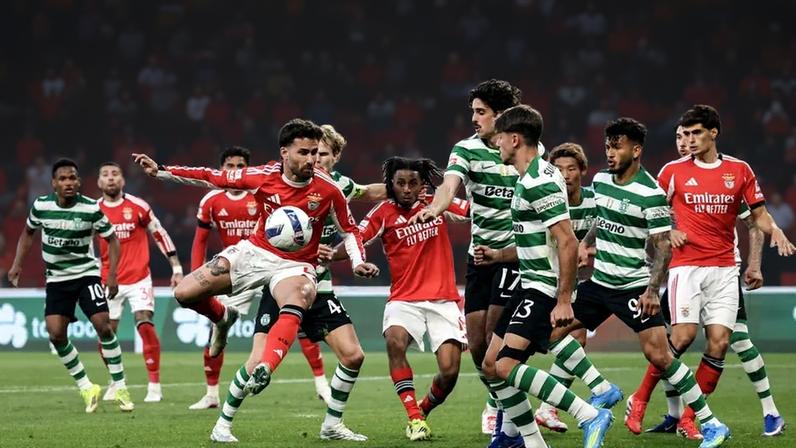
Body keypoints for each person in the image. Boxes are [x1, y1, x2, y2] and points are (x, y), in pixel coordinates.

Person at [132, 118, 379, 440]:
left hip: (296, 265)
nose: (311, 160)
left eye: (315, 152)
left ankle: (266, 369)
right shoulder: (263, 176)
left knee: (298, 296)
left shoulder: (329, 189)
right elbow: (212, 176)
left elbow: (350, 230)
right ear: (284, 153)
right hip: (254, 253)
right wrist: (161, 171)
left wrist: (359, 261)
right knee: (185, 293)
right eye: (303, 152)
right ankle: (222, 318)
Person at [541, 117, 731, 448]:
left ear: (636, 150)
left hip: (633, 287)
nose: (610, 153)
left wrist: (651, 291)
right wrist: (586, 242)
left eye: (617, 147)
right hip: (600, 286)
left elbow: (662, 248)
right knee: (549, 333)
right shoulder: (601, 180)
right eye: (607, 147)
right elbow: (602, 219)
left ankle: (712, 424)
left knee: (660, 356)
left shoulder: (651, 194)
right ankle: (601, 389)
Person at [209, 124, 386, 442]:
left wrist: (349, 258)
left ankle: (332, 424)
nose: (317, 160)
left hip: (320, 285)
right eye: (312, 154)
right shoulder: (289, 182)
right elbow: (273, 232)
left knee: (353, 355)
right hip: (282, 280)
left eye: (323, 155)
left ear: (335, 158)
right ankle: (223, 423)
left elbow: (366, 199)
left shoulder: (340, 187)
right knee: (256, 359)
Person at [627, 106, 794, 438]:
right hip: (686, 268)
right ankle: (640, 399)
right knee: (682, 337)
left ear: (713, 133)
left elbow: (757, 216)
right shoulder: (672, 171)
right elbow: (650, 211)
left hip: (724, 270)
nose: (688, 140)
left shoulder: (739, 170)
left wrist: (775, 230)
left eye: (696, 133)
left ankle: (691, 417)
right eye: (684, 134)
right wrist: (666, 232)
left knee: (720, 343)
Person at [476, 105, 613, 448]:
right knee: (491, 364)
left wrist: (564, 299)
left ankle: (588, 413)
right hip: (527, 284)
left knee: (506, 367)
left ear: (515, 138)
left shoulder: (539, 181)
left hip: (541, 288)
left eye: (500, 137)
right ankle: (526, 441)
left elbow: (567, 240)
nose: (497, 144)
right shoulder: (534, 175)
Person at [409, 79, 525, 438]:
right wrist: (434, 208)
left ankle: (506, 415)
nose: (474, 118)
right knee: (475, 347)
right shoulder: (466, 149)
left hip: (513, 256)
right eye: (472, 111)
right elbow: (449, 186)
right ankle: (501, 401)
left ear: (501, 115)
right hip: (480, 260)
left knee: (494, 339)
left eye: (481, 112)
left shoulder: (525, 149)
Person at [187, 146, 333, 410]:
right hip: (242, 266)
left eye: (239, 165)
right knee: (215, 327)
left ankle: (321, 383)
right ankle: (211, 393)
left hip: (275, 266)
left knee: (297, 322)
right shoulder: (211, 201)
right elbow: (200, 241)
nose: (234, 170)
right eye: (229, 166)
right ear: (223, 170)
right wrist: (194, 270)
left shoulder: (261, 192)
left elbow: (297, 225)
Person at [334, 156, 468, 441]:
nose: (406, 189)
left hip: (443, 300)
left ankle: (424, 408)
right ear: (391, 185)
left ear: (422, 185)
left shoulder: (437, 203)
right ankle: (414, 417)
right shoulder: (383, 212)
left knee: (449, 371)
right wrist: (333, 257)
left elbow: (470, 211)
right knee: (394, 341)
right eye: (400, 183)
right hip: (404, 299)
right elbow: (356, 237)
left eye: (413, 183)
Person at [7, 158, 134, 413]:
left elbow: (113, 240)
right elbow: (27, 233)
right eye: (63, 178)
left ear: (79, 182)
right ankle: (87, 387)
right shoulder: (41, 206)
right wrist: (17, 264)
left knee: (104, 327)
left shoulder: (90, 209)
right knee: (55, 334)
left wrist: (111, 276)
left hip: (86, 274)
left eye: (73, 178)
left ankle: (120, 386)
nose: (68, 182)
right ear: (53, 183)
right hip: (56, 278)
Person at [97, 161, 183, 403]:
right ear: (99, 182)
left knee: (144, 323)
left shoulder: (138, 206)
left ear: (123, 180)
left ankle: (154, 385)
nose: (111, 178)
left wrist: (176, 267)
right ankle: (115, 380)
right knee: (105, 333)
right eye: (105, 174)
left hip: (139, 279)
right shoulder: (93, 210)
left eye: (115, 173)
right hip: (107, 280)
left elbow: (160, 233)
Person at [533, 142, 597, 433]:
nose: (565, 174)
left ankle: (547, 408)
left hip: (572, 283)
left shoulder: (594, 202)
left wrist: (590, 250)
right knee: (522, 347)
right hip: (541, 279)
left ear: (582, 170)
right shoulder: (544, 199)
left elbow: (607, 236)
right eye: (558, 169)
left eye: (571, 168)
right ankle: (498, 407)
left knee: (577, 340)